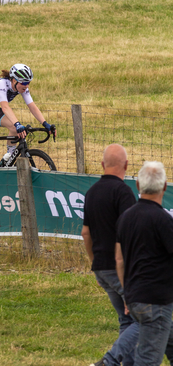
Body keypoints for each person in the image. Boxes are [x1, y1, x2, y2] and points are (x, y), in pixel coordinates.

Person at [82, 144, 138, 366]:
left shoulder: (91, 192)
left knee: (126, 322)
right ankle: (109, 362)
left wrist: (95, 265)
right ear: (126, 165)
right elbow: (129, 237)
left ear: (102, 165)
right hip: (120, 269)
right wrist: (129, 278)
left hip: (102, 268)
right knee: (143, 320)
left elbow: (86, 233)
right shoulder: (124, 193)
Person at [116, 161, 173, 366]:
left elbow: (119, 259)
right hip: (156, 302)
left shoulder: (125, 218)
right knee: (147, 360)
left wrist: (127, 292)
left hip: (134, 298)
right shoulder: (164, 221)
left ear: (138, 185)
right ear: (165, 186)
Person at [0, 63, 56, 168]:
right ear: (14, 80)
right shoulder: (2, 84)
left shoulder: (21, 88)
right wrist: (17, 123)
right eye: (24, 83)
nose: (26, 86)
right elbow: (5, 107)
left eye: (28, 83)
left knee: (14, 128)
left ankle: (8, 157)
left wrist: (45, 124)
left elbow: (32, 106)